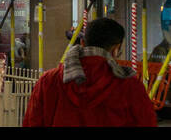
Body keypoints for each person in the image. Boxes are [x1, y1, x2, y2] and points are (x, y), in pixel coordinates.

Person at [24, 17, 157, 127]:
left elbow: (32, 122)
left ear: (82, 42)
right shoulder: (130, 86)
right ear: (116, 49)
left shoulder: (48, 81)